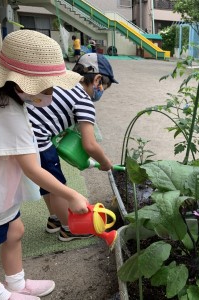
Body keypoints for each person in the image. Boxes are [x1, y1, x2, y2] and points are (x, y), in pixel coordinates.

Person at [0, 30, 89, 300]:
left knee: (15, 229)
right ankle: (1, 295)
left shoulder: (4, 99)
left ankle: (17, 283)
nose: (51, 92)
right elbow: (33, 169)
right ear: (23, 86)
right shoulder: (7, 115)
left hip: (1, 184)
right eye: (47, 87)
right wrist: (71, 195)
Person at [26, 53, 119, 242]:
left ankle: (54, 219)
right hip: (38, 140)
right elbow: (90, 145)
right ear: (98, 80)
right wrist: (105, 162)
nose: (101, 93)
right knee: (58, 187)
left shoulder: (63, 83)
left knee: (47, 183)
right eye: (104, 88)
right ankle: (68, 229)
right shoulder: (83, 100)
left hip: (26, 134)